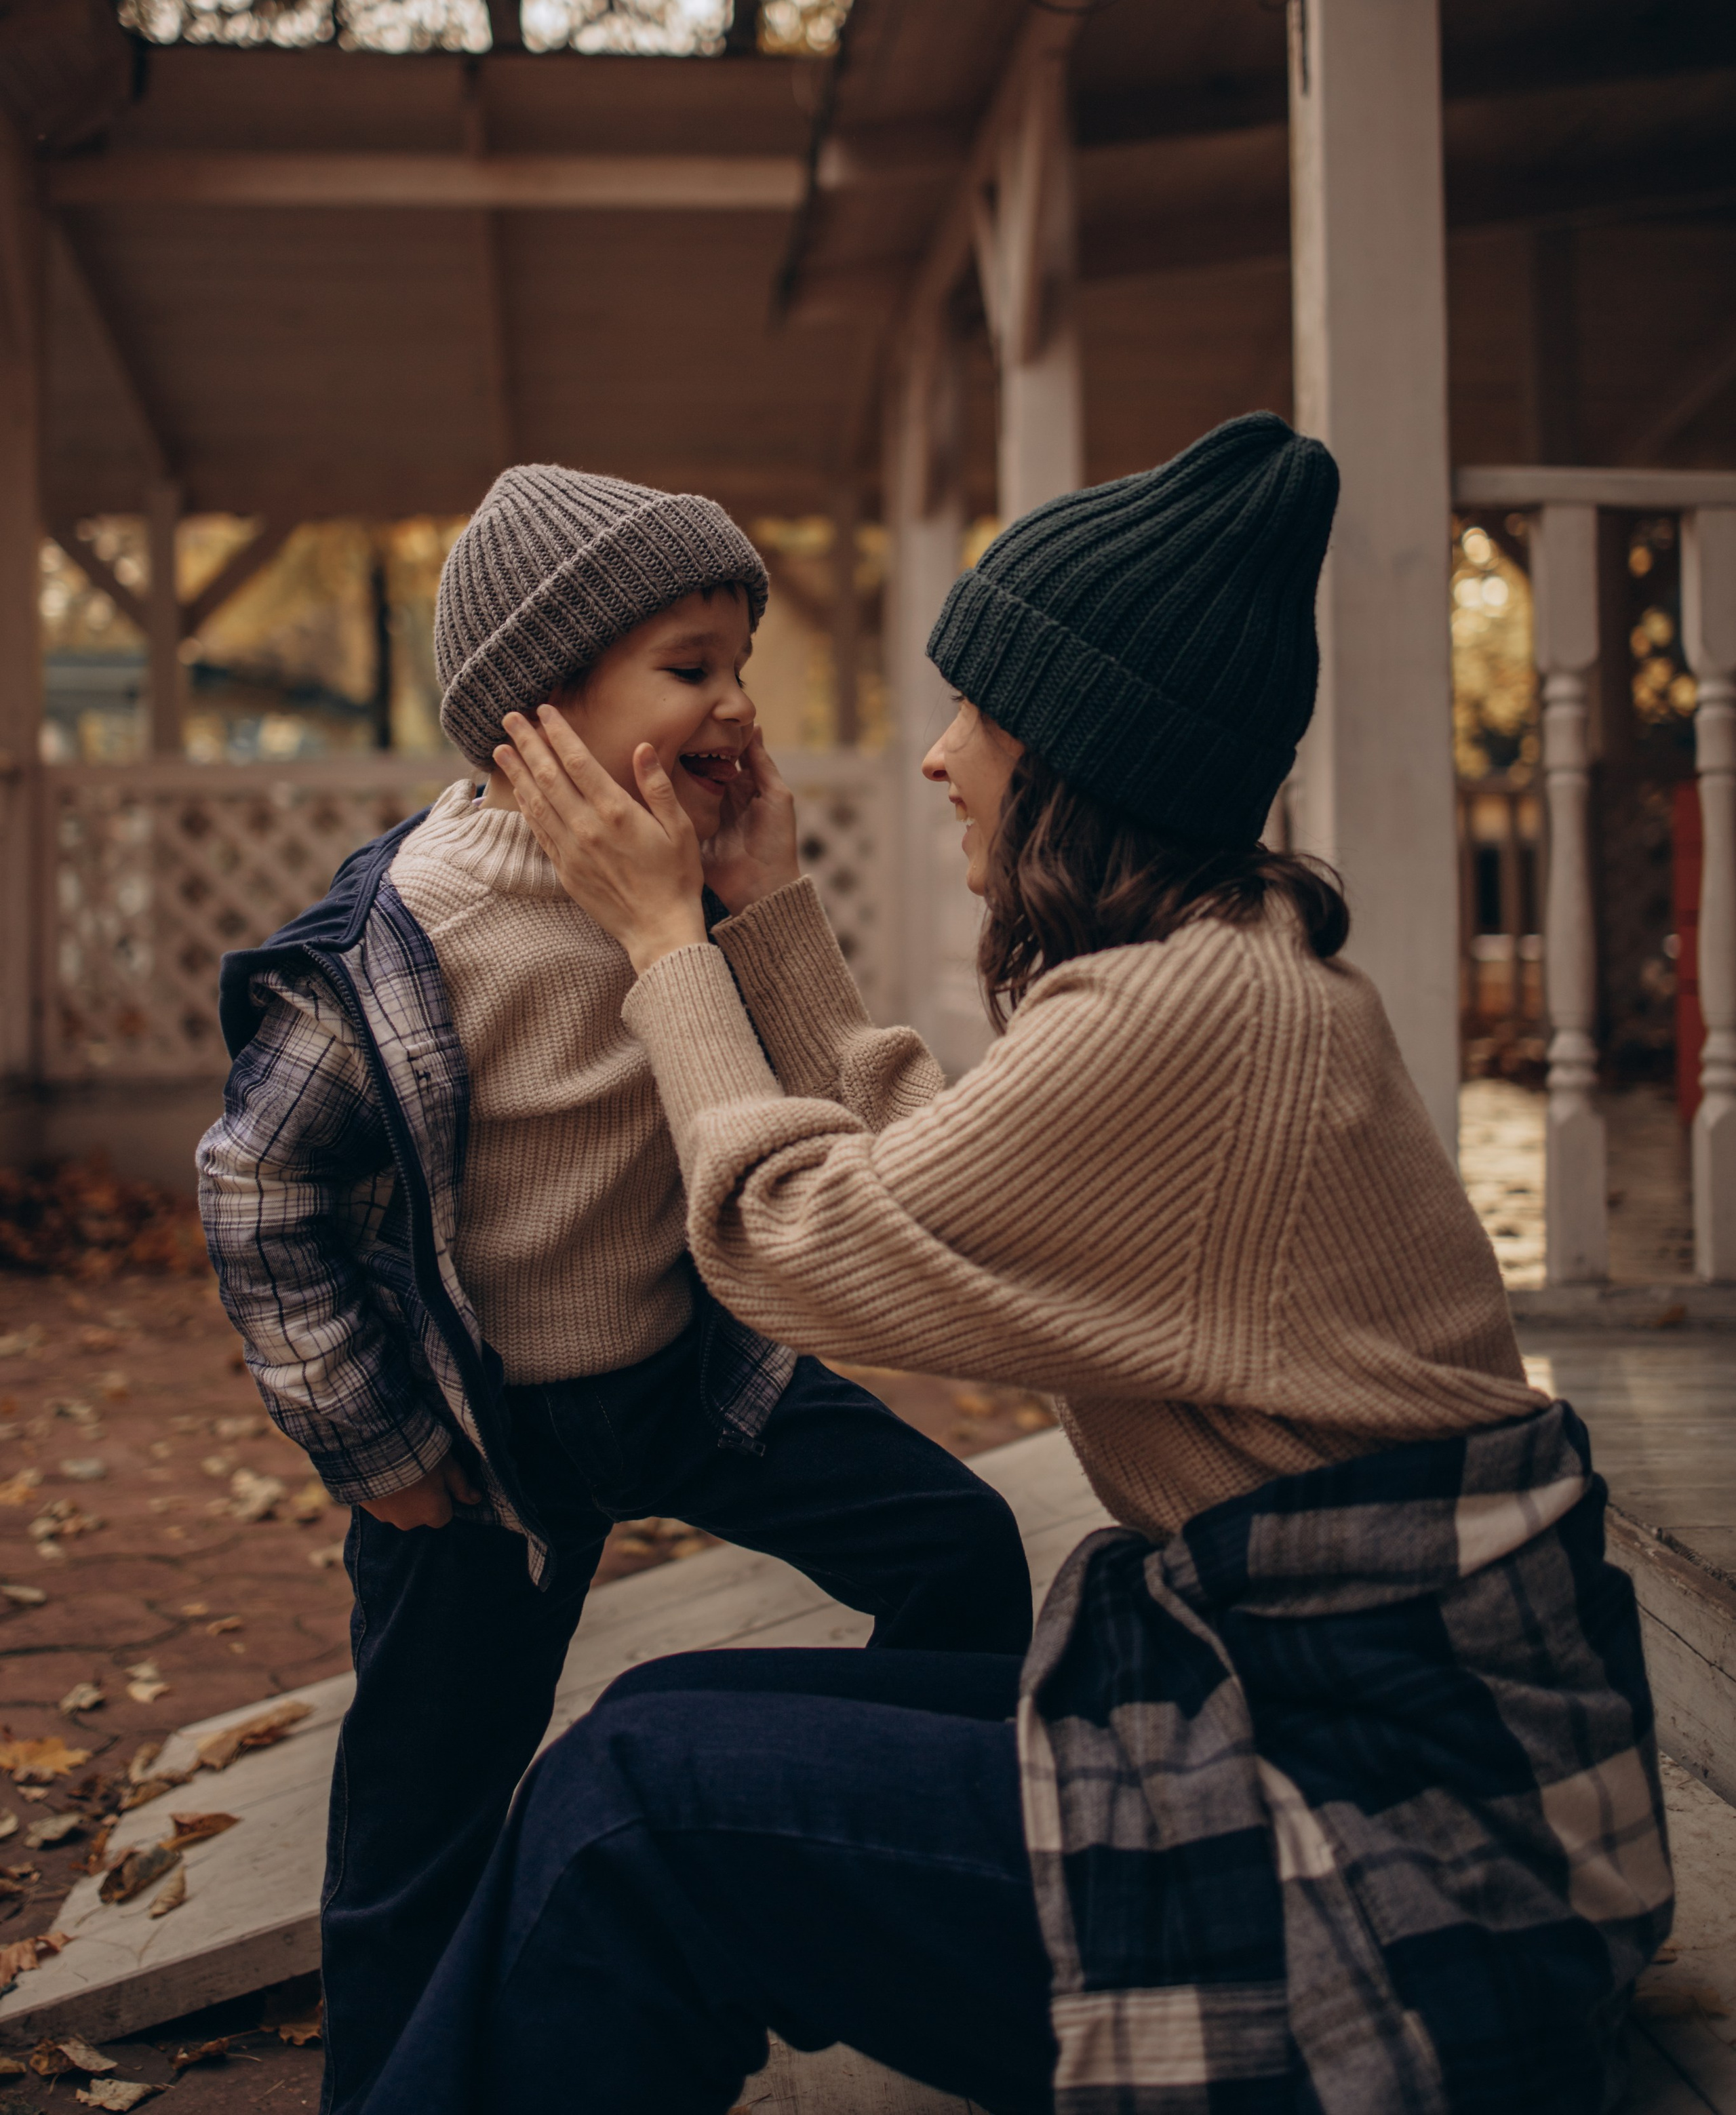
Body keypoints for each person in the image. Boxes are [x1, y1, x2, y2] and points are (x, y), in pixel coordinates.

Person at [365, 414, 1672, 2115]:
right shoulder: (1219, 971)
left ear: (1069, 752)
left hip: (1396, 1848)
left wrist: (663, 942)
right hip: (1378, 1741)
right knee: (668, 1713)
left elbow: (799, 1242)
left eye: (973, 712)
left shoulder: (1194, 1015)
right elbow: (935, 1174)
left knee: (634, 1798)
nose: (936, 758)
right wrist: (763, 911)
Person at [195, 464, 1032, 2115]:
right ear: (535, 707)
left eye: (739, 663)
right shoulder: (405, 935)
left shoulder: (695, 874)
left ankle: (847, 1867)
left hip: (690, 1379)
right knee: (418, 1823)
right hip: (481, 1449)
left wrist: (758, 902)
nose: (736, 704)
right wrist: (374, 1443)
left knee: (960, 1550)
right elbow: (257, 1190)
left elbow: (824, 1103)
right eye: (687, 666)